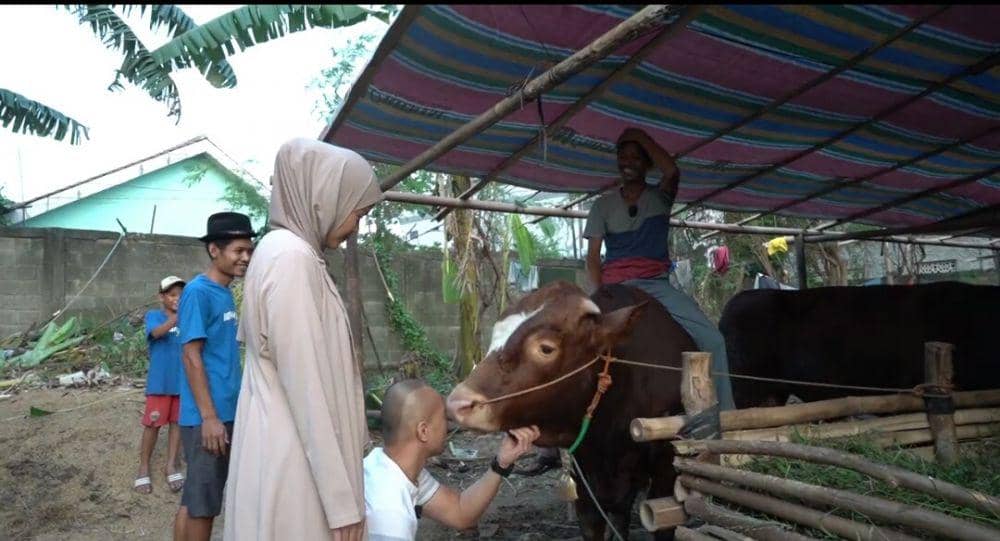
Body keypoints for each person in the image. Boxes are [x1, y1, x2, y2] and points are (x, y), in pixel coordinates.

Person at [223, 139, 383, 541]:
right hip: (295, 461)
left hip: (289, 447)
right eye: (357, 212)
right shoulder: (291, 259)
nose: (355, 227)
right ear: (325, 197)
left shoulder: (288, 254)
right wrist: (341, 503)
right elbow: (307, 386)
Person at [583, 127, 735, 411]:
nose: (628, 162)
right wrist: (597, 295)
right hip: (614, 287)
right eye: (622, 156)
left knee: (713, 340)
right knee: (569, 345)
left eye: (636, 157)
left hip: (656, 285)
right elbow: (592, 258)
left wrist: (639, 137)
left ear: (647, 163)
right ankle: (552, 439)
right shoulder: (601, 205)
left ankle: (728, 418)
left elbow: (672, 171)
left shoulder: (661, 197)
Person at [365, 379, 541, 541]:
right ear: (423, 432)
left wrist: (501, 463)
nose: (448, 427)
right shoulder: (390, 518)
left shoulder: (391, 469)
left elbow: (460, 512)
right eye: (444, 418)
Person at [173, 212, 255, 541]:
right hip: (209, 417)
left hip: (225, 411)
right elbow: (191, 355)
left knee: (195, 499)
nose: (246, 257)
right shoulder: (198, 292)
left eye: (249, 250)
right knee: (204, 507)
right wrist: (209, 417)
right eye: (238, 250)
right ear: (214, 251)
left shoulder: (223, 292)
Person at [133, 275, 186, 495]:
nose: (177, 299)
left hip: (183, 383)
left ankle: (171, 464)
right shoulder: (154, 316)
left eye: (181, 296)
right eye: (172, 295)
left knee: (177, 424)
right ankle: (143, 467)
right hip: (160, 384)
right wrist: (177, 317)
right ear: (161, 297)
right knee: (153, 425)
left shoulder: (189, 318)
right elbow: (156, 333)